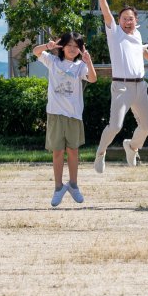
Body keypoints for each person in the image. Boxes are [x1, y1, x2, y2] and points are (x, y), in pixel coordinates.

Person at [91, 0, 148, 174]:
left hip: (140, 87)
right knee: (115, 126)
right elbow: (106, 14)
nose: (127, 21)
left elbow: (142, 49)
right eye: (124, 18)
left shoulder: (138, 34)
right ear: (119, 21)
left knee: (147, 126)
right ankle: (100, 153)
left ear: (136, 20)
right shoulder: (114, 33)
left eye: (130, 18)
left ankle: (131, 147)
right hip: (121, 86)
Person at [33, 32, 97, 207]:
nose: (72, 49)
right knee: (57, 152)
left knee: (73, 151)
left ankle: (74, 185)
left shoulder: (79, 66)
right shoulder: (54, 61)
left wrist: (88, 61)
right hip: (55, 113)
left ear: (80, 49)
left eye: (76, 46)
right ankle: (58, 187)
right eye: (68, 45)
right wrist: (48, 46)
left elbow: (92, 79)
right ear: (62, 46)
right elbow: (35, 52)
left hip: (74, 115)